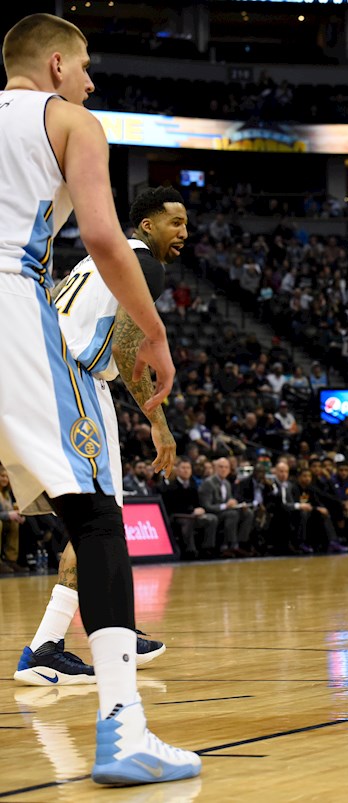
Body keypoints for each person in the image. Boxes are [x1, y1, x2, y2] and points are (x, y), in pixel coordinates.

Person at [0, 14, 199, 784]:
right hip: (17, 304)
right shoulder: (72, 120)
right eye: (84, 66)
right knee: (96, 516)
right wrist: (154, 334)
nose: (91, 81)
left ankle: (54, 651)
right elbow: (106, 239)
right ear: (55, 65)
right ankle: (124, 725)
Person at [15, 186, 188, 683]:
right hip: (75, 380)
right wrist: (160, 424)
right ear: (147, 226)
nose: (184, 233)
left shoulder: (96, 260)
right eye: (175, 223)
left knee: (95, 519)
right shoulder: (143, 266)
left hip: (42, 371)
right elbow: (129, 348)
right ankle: (56, 642)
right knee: (98, 521)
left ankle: (112, 622)